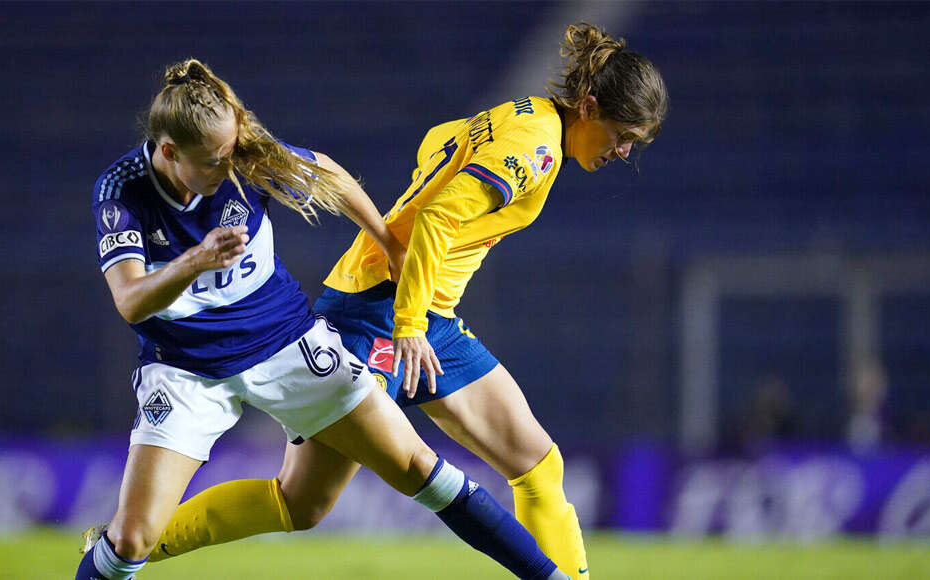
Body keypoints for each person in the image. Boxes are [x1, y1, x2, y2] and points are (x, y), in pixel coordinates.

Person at [144, 23, 668, 580]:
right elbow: (442, 215)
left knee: (538, 464)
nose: (624, 150)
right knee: (300, 502)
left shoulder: (525, 115)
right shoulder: (534, 148)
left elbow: (437, 144)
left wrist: (421, 305)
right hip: (379, 312)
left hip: (424, 310)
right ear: (588, 107)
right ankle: (131, 544)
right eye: (622, 134)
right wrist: (410, 320)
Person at [74, 58, 572, 580]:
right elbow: (131, 301)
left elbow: (329, 174)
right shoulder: (122, 190)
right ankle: (108, 549)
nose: (229, 168)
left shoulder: (243, 155)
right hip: (185, 368)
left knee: (420, 469)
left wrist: (385, 239)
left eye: (232, 153)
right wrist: (197, 260)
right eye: (215, 161)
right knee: (132, 539)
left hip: (287, 344)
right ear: (169, 153)